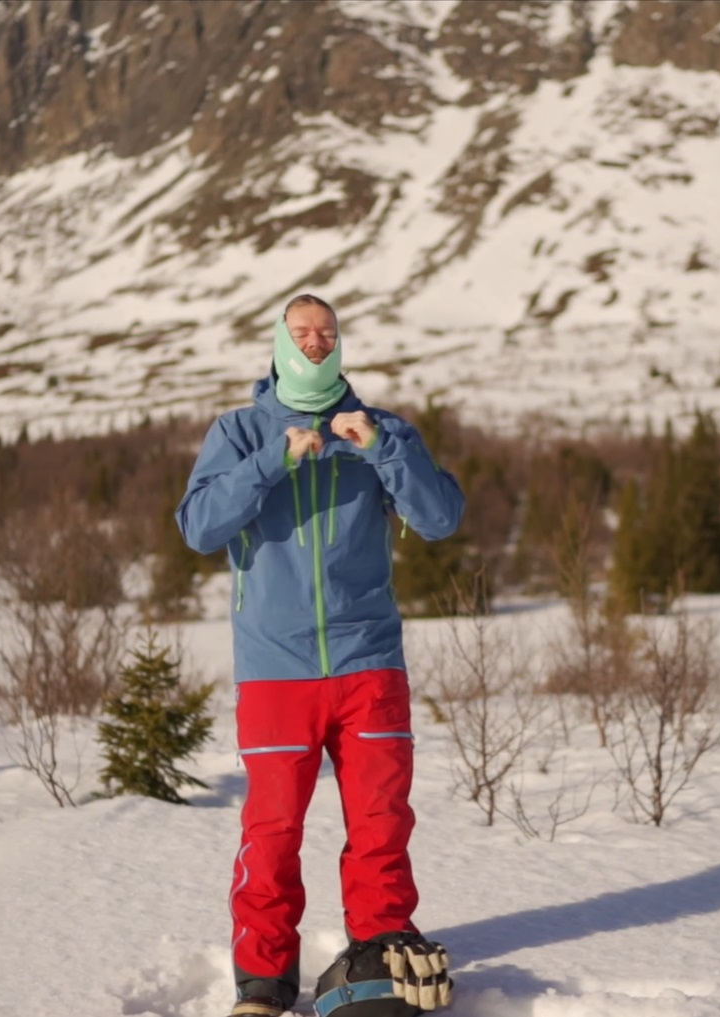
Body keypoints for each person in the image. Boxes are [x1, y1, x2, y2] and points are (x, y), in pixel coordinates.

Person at [177, 294, 463, 1017]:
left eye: (326, 332)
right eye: (301, 331)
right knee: (271, 830)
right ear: (278, 342)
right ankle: (262, 983)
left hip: (369, 660)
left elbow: (439, 517)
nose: (314, 342)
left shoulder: (379, 429)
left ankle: (381, 955)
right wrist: (274, 460)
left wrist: (379, 448)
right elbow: (199, 526)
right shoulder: (239, 431)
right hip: (276, 669)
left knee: (380, 819)